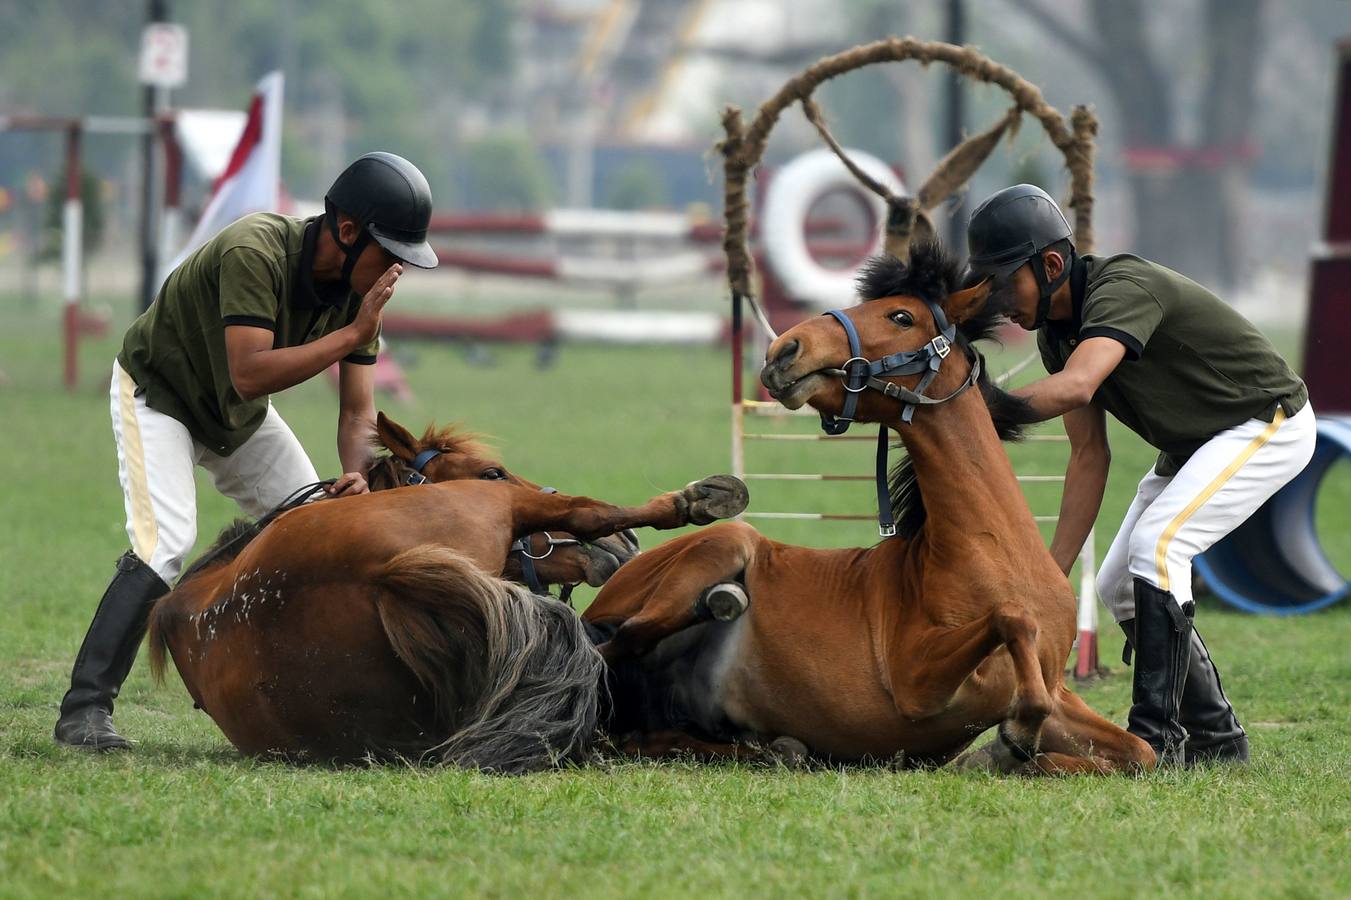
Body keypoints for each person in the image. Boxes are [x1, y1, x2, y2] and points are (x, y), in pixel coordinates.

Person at [54, 152, 439, 750]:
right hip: (161, 396)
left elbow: (357, 410)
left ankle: (289, 691)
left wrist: (354, 473)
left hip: (236, 417)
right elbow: (250, 373)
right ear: (346, 231)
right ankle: (83, 711)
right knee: (166, 546)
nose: (397, 272)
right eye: (391, 254)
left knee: (316, 527)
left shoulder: (357, 298)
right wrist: (352, 335)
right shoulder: (255, 249)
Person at [965, 184, 1315, 767]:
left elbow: (1077, 386)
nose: (998, 301)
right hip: (1197, 444)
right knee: (1116, 585)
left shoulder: (1122, 287)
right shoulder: (1057, 333)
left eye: (1005, 282)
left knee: (1158, 547)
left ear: (1052, 264)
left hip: (1266, 423)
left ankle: (1155, 739)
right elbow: (1088, 456)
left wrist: (971, 412)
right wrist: (1052, 577)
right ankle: (1218, 740)